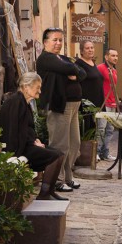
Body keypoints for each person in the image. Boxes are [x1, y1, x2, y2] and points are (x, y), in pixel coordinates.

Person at [0, 72, 68, 201]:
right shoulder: (16, 102)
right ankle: (45, 194)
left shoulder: (23, 101)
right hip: (17, 148)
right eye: (37, 87)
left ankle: (49, 191)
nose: (40, 91)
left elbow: (26, 128)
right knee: (56, 156)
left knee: (59, 154)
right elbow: (13, 130)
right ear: (26, 87)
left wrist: (35, 139)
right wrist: (29, 145)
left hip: (25, 143)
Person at [37, 27, 87, 192]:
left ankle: (68, 177)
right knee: (59, 145)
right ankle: (55, 180)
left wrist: (75, 72)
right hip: (59, 106)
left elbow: (82, 73)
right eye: (55, 40)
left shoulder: (62, 58)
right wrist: (72, 71)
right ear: (45, 42)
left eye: (60, 40)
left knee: (74, 143)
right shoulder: (46, 59)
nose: (58, 43)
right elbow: (72, 69)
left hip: (74, 106)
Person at [75, 40, 104, 146]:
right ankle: (86, 153)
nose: (90, 50)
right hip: (86, 104)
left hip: (97, 103)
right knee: (87, 129)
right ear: (82, 51)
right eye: (87, 48)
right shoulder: (79, 64)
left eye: (92, 47)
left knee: (96, 129)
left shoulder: (93, 63)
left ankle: (93, 151)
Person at [96, 47, 119, 162]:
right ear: (106, 57)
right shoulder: (100, 68)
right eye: (113, 55)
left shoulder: (114, 71)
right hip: (103, 103)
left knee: (110, 129)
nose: (115, 58)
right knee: (101, 128)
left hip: (112, 103)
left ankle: (105, 153)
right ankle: (97, 152)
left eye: (116, 56)